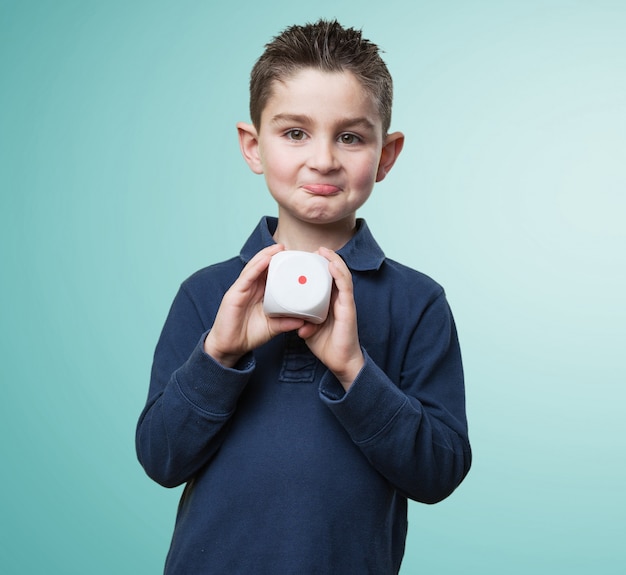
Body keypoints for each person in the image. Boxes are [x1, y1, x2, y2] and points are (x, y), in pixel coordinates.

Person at [136, 19, 471, 574]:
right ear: (253, 146)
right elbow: (161, 459)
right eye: (295, 133)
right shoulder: (205, 293)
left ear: (386, 155)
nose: (323, 159)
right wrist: (217, 357)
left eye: (351, 136)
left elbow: (439, 473)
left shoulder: (418, 302)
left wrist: (354, 370)